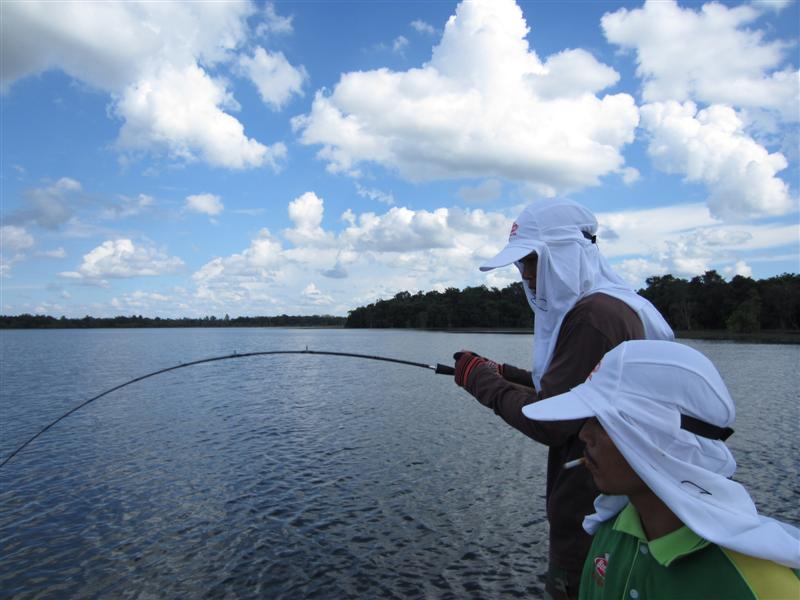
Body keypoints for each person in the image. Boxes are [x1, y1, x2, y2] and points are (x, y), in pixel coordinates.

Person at [453, 199, 674, 599]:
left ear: (564, 254)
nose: (527, 276)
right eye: (522, 265)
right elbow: (579, 393)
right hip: (619, 516)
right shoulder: (620, 306)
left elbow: (550, 420)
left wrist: (478, 380)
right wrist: (504, 373)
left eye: (532, 261)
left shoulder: (593, 317)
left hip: (597, 526)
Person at [521, 340, 800, 599]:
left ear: (661, 438)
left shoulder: (765, 587)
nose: (584, 435)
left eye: (603, 422)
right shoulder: (611, 532)